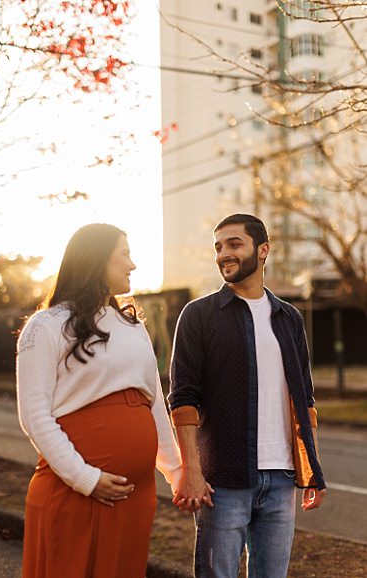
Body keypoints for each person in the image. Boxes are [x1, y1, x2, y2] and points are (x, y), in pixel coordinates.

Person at [16, 223, 188, 578]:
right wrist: (85, 478)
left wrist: (177, 472)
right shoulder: (45, 325)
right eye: (124, 254)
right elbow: (34, 415)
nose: (133, 265)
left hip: (134, 495)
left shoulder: (133, 325)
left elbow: (154, 403)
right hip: (75, 489)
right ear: (96, 260)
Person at [169, 213, 326, 578]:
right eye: (219, 247)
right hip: (222, 481)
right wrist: (191, 470)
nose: (224, 253)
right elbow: (182, 399)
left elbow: (304, 401)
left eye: (234, 244)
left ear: (263, 250)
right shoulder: (199, 315)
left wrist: (311, 469)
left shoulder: (289, 318)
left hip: (282, 478)